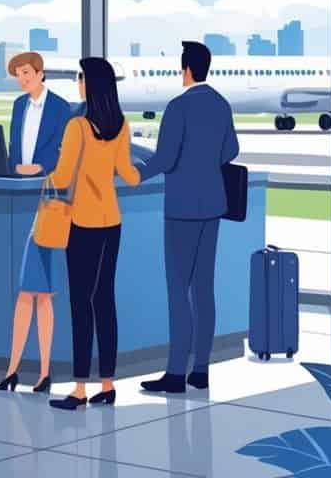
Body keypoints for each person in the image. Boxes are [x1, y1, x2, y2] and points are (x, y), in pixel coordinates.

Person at [138, 41, 239, 395]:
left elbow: (165, 158)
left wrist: (135, 174)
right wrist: (204, 163)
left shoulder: (178, 106)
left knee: (178, 291)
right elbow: (231, 150)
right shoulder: (221, 104)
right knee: (204, 289)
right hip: (212, 204)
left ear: (186, 70)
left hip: (182, 208)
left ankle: (175, 374)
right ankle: (201, 370)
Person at [47, 57, 141, 410]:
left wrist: (42, 175)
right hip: (111, 222)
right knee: (104, 301)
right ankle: (108, 385)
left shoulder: (78, 127)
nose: (78, 82)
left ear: (92, 83)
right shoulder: (121, 124)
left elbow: (62, 176)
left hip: (82, 223)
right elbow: (127, 172)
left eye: (81, 77)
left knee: (80, 305)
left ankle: (79, 389)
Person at [0, 51, 74, 394]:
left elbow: (62, 151)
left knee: (40, 294)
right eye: (17, 74)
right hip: (22, 196)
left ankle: (39, 373)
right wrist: (14, 168)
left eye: (26, 72)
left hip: (50, 202)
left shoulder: (61, 108)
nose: (22, 79)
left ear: (40, 73)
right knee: (31, 294)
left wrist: (40, 167)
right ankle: (18, 371)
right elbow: (14, 147)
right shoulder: (18, 106)